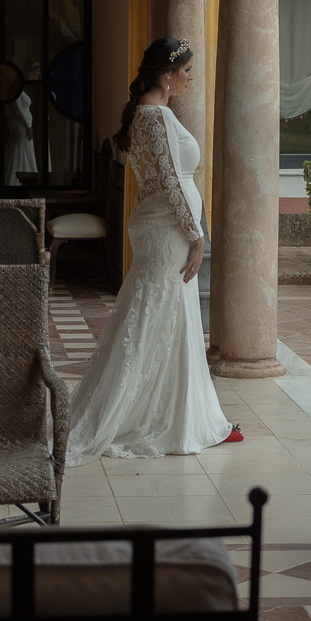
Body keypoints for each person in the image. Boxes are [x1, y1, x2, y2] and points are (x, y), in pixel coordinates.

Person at [65, 36, 241, 465]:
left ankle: (186, 412)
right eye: (186, 71)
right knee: (155, 315)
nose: (190, 77)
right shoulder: (155, 117)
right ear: (166, 74)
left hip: (159, 226)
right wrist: (196, 233)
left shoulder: (148, 116)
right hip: (167, 231)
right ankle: (148, 415)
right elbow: (169, 182)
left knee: (163, 315)